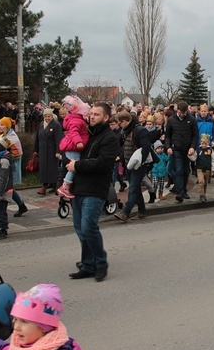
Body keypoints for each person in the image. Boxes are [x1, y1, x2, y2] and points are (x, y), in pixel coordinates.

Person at [66, 103, 117, 281]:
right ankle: (88, 265)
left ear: (105, 118)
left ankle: (101, 263)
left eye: (96, 114)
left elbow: (103, 163)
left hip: (95, 189)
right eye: (91, 114)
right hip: (79, 188)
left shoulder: (109, 138)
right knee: (80, 229)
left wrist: (77, 166)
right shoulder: (87, 134)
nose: (91, 117)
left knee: (89, 228)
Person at [115, 111, 152, 222]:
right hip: (129, 164)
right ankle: (142, 211)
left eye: (120, 123)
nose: (119, 125)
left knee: (133, 189)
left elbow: (146, 147)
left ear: (125, 121)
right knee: (135, 188)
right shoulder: (126, 131)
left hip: (139, 164)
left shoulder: (140, 130)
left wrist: (141, 162)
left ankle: (126, 212)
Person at [165, 101, 198, 203]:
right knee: (179, 170)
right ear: (177, 110)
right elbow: (168, 136)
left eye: (184, 112)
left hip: (187, 150)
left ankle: (183, 190)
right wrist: (168, 147)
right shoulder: (171, 120)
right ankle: (179, 192)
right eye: (181, 112)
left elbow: (195, 135)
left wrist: (193, 147)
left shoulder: (191, 119)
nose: (182, 114)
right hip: (177, 149)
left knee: (185, 170)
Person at [0, 117, 29, 217]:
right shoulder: (4, 135)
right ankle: (21, 205)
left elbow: (16, 153)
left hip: (12, 165)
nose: (0, 127)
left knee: (7, 188)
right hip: (6, 164)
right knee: (8, 187)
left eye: (2, 125)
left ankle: (2, 212)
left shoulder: (12, 137)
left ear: (7, 126)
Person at [34, 108, 63, 196]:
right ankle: (49, 185)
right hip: (43, 151)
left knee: (51, 169)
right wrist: (35, 150)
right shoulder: (42, 124)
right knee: (43, 168)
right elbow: (37, 137)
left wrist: (58, 151)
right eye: (45, 116)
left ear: (52, 116)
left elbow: (58, 139)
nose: (47, 118)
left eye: (49, 116)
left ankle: (49, 186)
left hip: (52, 151)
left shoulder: (56, 125)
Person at [0, 137, 13, 240]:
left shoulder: (4, 161)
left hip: (3, 192)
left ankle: (3, 229)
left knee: (1, 211)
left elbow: (3, 179)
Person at [194, 135, 214, 203]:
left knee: (205, 183)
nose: (204, 145)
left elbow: (213, 159)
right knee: (201, 182)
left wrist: (213, 169)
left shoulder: (210, 150)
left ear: (208, 143)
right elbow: (194, 158)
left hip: (207, 169)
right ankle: (201, 195)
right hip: (200, 169)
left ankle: (204, 194)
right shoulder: (198, 149)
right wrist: (190, 155)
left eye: (205, 144)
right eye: (202, 143)